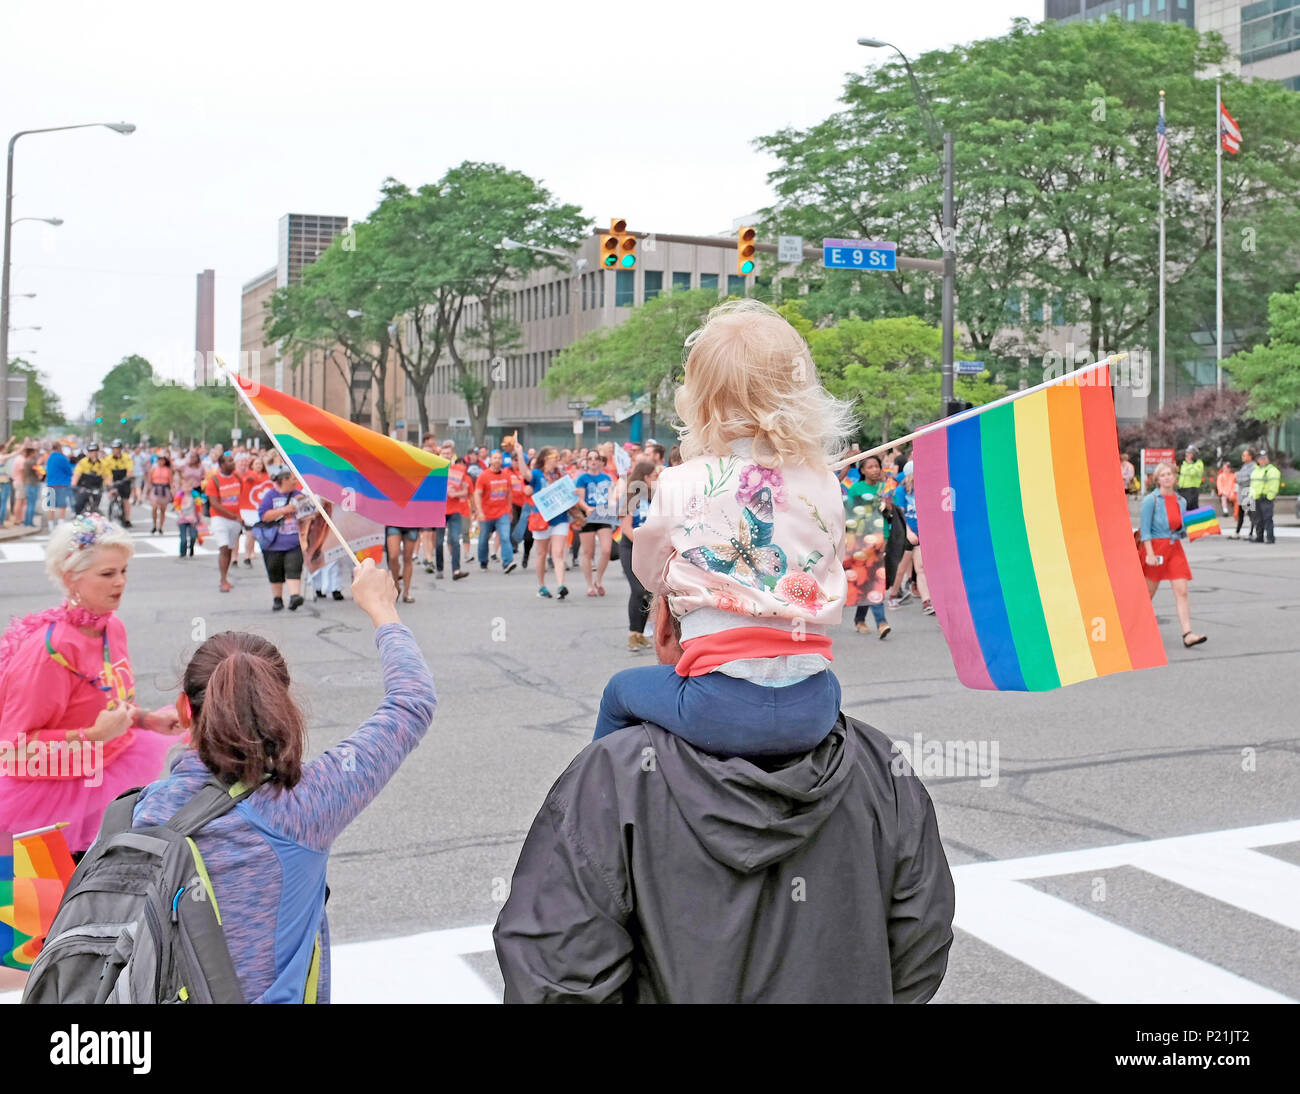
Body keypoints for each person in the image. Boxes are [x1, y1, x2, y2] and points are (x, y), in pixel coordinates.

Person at [494, 592, 956, 1004]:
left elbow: (555, 976)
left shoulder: (614, 775)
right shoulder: (880, 763)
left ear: (664, 631)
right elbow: (920, 946)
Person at [128, 559, 436, 1003]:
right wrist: (382, 610)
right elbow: (412, 701)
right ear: (281, 707)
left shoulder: (146, 811)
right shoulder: (305, 805)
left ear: (183, 708)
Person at [603, 299, 853, 756]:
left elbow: (649, 570)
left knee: (618, 692)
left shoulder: (681, 479)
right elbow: (832, 550)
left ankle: (601, 808)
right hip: (814, 700)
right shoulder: (824, 480)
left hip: (718, 702)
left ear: (700, 399)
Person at [0, 514, 187, 854]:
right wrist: (91, 737)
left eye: (124, 571)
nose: (120, 582)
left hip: (111, 774)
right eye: (107, 574)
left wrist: (145, 720)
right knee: (57, 903)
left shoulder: (111, 626)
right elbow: (13, 750)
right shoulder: (49, 652)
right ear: (71, 578)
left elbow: (104, 698)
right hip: (52, 801)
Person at [1140, 462, 1205, 648]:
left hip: (1174, 548)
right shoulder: (1150, 500)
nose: (1167, 477)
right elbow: (1145, 531)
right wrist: (1150, 554)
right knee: (1147, 594)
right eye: (1163, 475)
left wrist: (1197, 530)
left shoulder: (1181, 501)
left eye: (1169, 474)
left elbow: (1182, 528)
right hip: (1156, 549)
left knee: (1182, 591)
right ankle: (1131, 628)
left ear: (1175, 478)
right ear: (1157, 479)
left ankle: (1188, 634)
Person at [845, 454, 893, 639]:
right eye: (870, 467)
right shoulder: (856, 488)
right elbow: (852, 514)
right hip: (863, 540)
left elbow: (890, 515)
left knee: (870, 580)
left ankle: (859, 619)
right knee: (874, 580)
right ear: (862, 470)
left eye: (877, 466)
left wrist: (887, 505)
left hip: (883, 537)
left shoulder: (885, 488)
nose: (874, 469)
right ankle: (882, 622)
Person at [617, 459, 657, 651]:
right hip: (630, 547)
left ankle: (640, 633)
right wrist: (644, 545)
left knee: (649, 591)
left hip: (648, 549)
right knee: (638, 589)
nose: (657, 480)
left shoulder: (653, 498)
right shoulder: (631, 498)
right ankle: (633, 633)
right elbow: (626, 528)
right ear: (645, 477)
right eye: (654, 477)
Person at [528, 446, 578, 599]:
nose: (556, 461)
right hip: (541, 518)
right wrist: (518, 451)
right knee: (542, 553)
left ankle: (560, 585)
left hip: (560, 517)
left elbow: (568, 491)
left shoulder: (560, 474)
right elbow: (526, 476)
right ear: (545, 459)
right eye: (553, 458)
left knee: (558, 553)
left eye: (557, 458)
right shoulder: (536, 473)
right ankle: (542, 586)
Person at [257, 469, 306, 612]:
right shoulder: (270, 496)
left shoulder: (299, 496)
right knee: (275, 571)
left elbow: (309, 515)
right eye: (292, 479)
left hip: (294, 541)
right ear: (283, 480)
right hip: (273, 543)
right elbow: (264, 516)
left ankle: (294, 596)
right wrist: (284, 510)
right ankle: (277, 599)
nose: (295, 481)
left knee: (294, 568)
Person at [887, 462, 933, 615]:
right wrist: (908, 532)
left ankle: (926, 602)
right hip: (905, 534)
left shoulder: (924, 489)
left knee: (921, 569)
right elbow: (900, 514)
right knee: (900, 570)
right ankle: (893, 594)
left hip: (920, 534)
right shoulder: (901, 491)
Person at [576, 451, 616, 596]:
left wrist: (613, 506)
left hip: (603, 515)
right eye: (590, 458)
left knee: (606, 550)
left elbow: (611, 498)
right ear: (586, 461)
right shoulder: (582, 478)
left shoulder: (607, 478)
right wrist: (587, 508)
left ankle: (598, 580)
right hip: (588, 517)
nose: (593, 461)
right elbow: (579, 499)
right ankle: (589, 585)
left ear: (601, 462)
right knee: (588, 552)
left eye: (596, 458)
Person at [473, 449, 518, 574]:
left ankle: (507, 562)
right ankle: (483, 561)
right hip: (487, 513)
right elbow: (477, 494)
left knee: (504, 536)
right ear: (491, 460)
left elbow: (509, 493)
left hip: (502, 512)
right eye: (495, 458)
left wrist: (509, 510)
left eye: (499, 458)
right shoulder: (483, 476)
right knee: (483, 538)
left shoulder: (506, 475)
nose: (497, 460)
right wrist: (479, 511)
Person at [205, 452, 244, 593]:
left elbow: (244, 496)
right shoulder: (214, 480)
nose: (233, 463)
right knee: (223, 547)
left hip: (235, 520)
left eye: (233, 460)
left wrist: (240, 515)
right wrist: (231, 515)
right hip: (219, 519)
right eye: (229, 461)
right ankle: (223, 580)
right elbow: (214, 503)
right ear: (221, 464)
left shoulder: (238, 478)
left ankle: (225, 577)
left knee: (228, 550)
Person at [436, 441, 470, 580]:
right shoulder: (435, 470)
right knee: (439, 542)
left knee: (455, 540)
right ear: (440, 455)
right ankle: (439, 569)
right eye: (444, 454)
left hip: (455, 509)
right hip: (439, 511)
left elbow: (466, 491)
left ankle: (456, 570)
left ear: (452, 455)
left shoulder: (459, 470)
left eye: (448, 454)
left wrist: (455, 494)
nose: (446, 456)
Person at [236, 454, 270, 567]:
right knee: (236, 535)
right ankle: (233, 557)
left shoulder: (266, 476)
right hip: (241, 508)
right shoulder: (242, 475)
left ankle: (247, 556)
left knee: (251, 533)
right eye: (256, 463)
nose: (259, 466)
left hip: (255, 510)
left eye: (260, 463)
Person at [1249, 450, 1280, 545]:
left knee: (1267, 518)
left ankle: (1270, 537)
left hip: (1265, 498)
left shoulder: (1272, 470)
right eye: (1260, 459)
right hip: (1255, 498)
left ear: (1267, 459)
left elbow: (1274, 485)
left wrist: (1269, 496)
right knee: (1257, 519)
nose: (1261, 460)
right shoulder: (1255, 470)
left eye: (1263, 458)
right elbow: (1252, 485)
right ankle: (1259, 537)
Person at [103, 440, 134, 528]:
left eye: (117, 449)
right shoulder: (108, 459)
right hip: (113, 478)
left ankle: (127, 519)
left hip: (124, 478)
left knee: (126, 500)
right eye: (114, 449)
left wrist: (127, 477)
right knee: (111, 492)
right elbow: (107, 472)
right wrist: (110, 483)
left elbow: (130, 470)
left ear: (121, 449)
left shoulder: (126, 457)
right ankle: (111, 513)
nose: (116, 450)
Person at [71, 442, 107, 516]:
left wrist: (109, 486)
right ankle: (77, 516)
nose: (93, 453)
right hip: (84, 487)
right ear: (88, 452)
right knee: (79, 504)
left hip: (97, 488)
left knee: (95, 508)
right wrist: (73, 485)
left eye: (95, 451)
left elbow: (107, 476)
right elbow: (76, 475)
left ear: (98, 452)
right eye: (91, 451)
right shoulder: (82, 462)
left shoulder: (103, 463)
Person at [44, 441, 74, 525]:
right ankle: (60, 525)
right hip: (62, 484)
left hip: (50, 484)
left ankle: (51, 526)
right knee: (62, 506)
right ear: (60, 448)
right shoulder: (62, 458)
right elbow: (69, 471)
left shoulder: (49, 458)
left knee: (51, 507)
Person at [1234, 448, 1257, 540]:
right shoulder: (1244, 466)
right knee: (1241, 514)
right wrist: (1239, 476)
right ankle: (1237, 532)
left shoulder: (1254, 466)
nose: (1242, 457)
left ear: (1250, 457)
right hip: (1241, 494)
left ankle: (1251, 532)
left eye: (1244, 455)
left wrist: (1238, 477)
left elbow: (1247, 479)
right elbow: (1239, 476)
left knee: (1251, 514)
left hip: (1248, 493)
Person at [148, 455, 173, 535]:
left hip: (164, 489)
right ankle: (154, 525)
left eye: (162, 460)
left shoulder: (168, 470)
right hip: (155, 489)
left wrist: (172, 493)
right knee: (154, 507)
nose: (161, 462)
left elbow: (171, 482)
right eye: (159, 460)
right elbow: (149, 481)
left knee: (163, 509)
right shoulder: (153, 469)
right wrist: (147, 491)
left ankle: (161, 527)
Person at [174, 481, 200, 557]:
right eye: (185, 487)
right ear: (182, 487)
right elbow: (177, 506)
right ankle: (182, 552)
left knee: (193, 536)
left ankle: (191, 547)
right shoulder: (179, 496)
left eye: (189, 487)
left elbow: (198, 508)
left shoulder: (195, 496)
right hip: (182, 520)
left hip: (192, 519)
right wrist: (180, 514)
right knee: (183, 538)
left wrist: (199, 518)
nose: (187, 489)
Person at [1176, 445, 1203, 514]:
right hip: (1182, 489)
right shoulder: (1184, 463)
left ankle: (1195, 524)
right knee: (1182, 508)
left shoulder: (1198, 463)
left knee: (1192, 510)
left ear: (1194, 455)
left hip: (1192, 489)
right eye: (1187, 453)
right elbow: (1182, 474)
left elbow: (1192, 473)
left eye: (1189, 453)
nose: (1187, 455)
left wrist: (1190, 463)